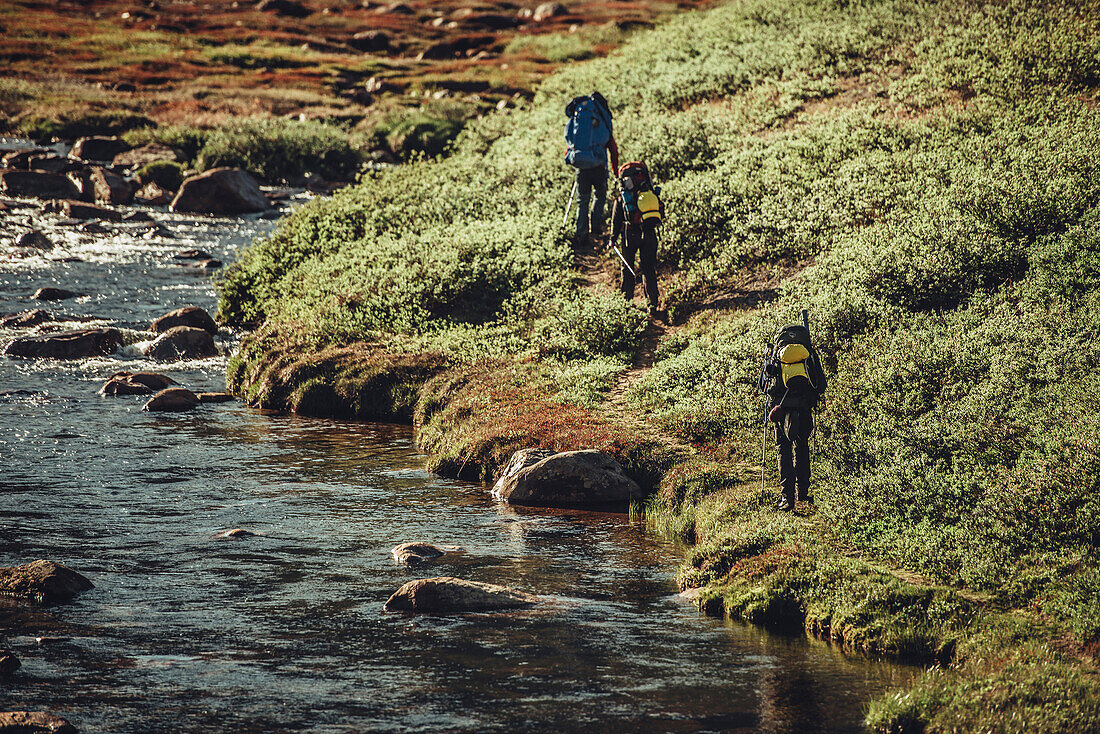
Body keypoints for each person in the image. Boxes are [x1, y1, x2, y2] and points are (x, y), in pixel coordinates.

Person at [757, 317, 827, 511]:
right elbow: (821, 385)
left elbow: (762, 386)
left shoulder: (774, 355)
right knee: (802, 446)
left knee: (784, 449)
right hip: (804, 407)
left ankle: (787, 497)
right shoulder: (809, 354)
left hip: (779, 410)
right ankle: (803, 492)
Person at [564, 91, 619, 249]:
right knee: (600, 196)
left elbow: (570, 144)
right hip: (599, 166)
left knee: (582, 201)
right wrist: (615, 171)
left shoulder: (579, 120)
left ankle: (581, 234)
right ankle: (595, 228)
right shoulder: (603, 120)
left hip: (581, 167)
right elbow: (613, 149)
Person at [609, 161, 663, 316]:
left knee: (627, 268)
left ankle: (626, 305)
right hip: (649, 233)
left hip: (629, 234)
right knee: (648, 268)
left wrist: (612, 238)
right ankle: (652, 304)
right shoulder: (650, 194)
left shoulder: (623, 197)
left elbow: (616, 219)